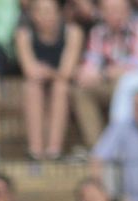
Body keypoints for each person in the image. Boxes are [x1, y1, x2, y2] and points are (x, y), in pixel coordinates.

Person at [73, 0, 138, 147]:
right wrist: (84, 73)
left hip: (132, 84)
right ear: (102, 13)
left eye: (118, 10)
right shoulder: (98, 32)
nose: (115, 15)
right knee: (80, 91)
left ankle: (126, 145)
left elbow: (137, 65)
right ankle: (99, 149)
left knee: (129, 84)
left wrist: (102, 74)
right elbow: (91, 62)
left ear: (128, 11)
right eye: (109, 10)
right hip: (107, 81)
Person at [15, 0, 82, 161]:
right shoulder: (23, 34)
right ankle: (35, 150)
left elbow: (67, 72)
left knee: (60, 87)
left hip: (61, 84)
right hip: (38, 83)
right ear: (33, 15)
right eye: (41, 12)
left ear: (59, 13)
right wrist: (50, 73)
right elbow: (29, 70)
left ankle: (54, 150)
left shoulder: (73, 32)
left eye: (50, 11)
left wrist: (48, 72)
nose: (46, 16)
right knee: (32, 87)